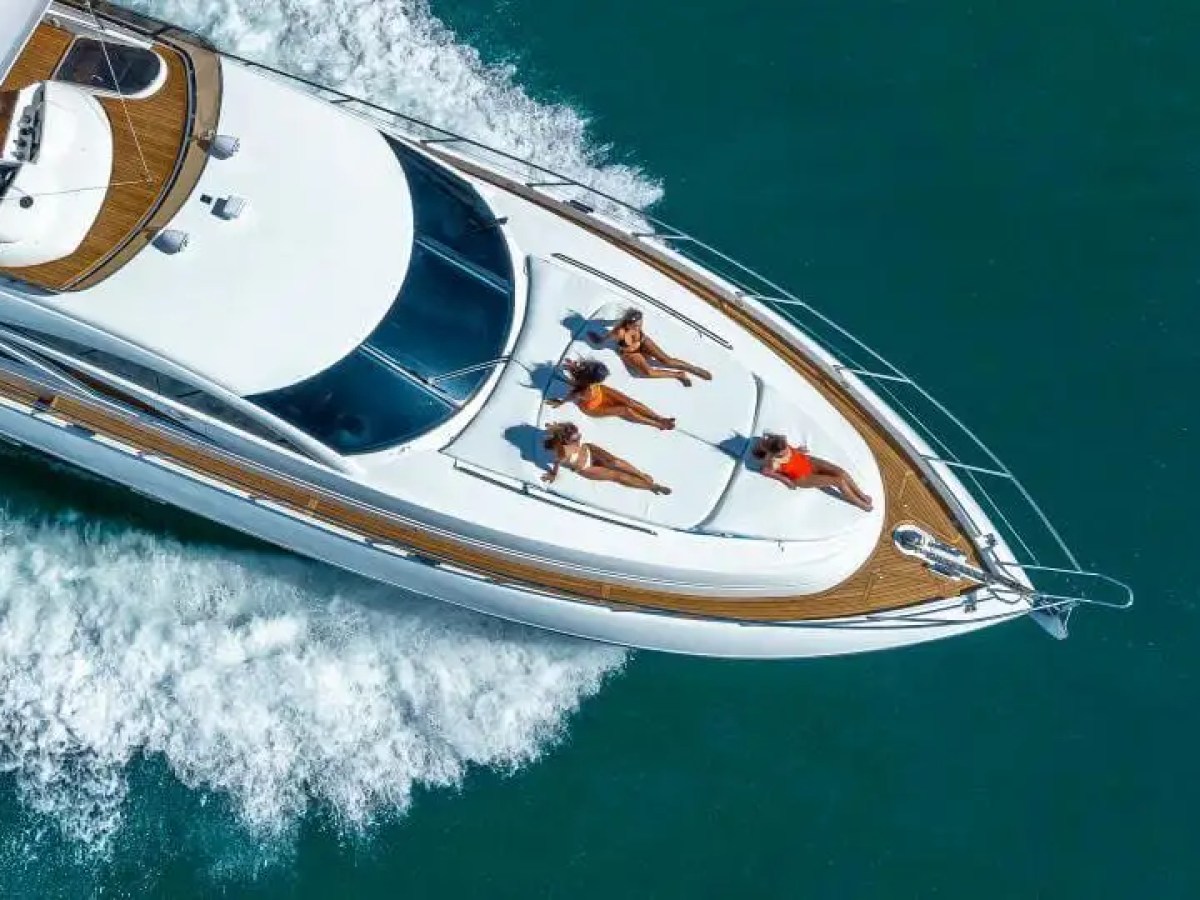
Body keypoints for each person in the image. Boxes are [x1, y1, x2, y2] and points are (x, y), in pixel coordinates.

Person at [751, 432, 873, 511]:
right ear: (774, 453)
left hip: (807, 462)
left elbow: (786, 449)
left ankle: (861, 495)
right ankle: (861, 504)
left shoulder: (777, 441)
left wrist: (797, 450)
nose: (786, 449)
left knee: (840, 472)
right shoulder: (773, 462)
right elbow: (766, 471)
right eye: (782, 452)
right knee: (838, 481)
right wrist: (786, 481)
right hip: (802, 477)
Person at [589, 308, 713, 386]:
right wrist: (597, 339)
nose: (638, 327)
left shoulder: (638, 321)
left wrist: (639, 339)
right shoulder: (619, 332)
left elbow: (635, 323)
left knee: (667, 360)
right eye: (635, 325)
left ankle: (695, 369)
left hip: (643, 341)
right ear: (627, 324)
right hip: (630, 352)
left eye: (639, 324)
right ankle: (678, 375)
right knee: (648, 371)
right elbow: (604, 339)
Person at [541, 422, 671, 494]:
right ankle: (652, 487)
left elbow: (562, 429)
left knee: (616, 462)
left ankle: (641, 475)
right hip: (586, 467)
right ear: (564, 440)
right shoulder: (561, 451)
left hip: (589, 450)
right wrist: (553, 474)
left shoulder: (569, 431)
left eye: (577, 435)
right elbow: (557, 462)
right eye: (574, 438)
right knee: (618, 476)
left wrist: (554, 427)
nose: (578, 437)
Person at [547, 358, 675, 430]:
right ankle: (657, 424)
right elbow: (572, 395)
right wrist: (561, 402)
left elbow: (579, 368)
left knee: (630, 402)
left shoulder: (588, 374)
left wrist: (573, 365)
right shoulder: (584, 390)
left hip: (600, 391)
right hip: (593, 406)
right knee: (626, 410)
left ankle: (659, 417)